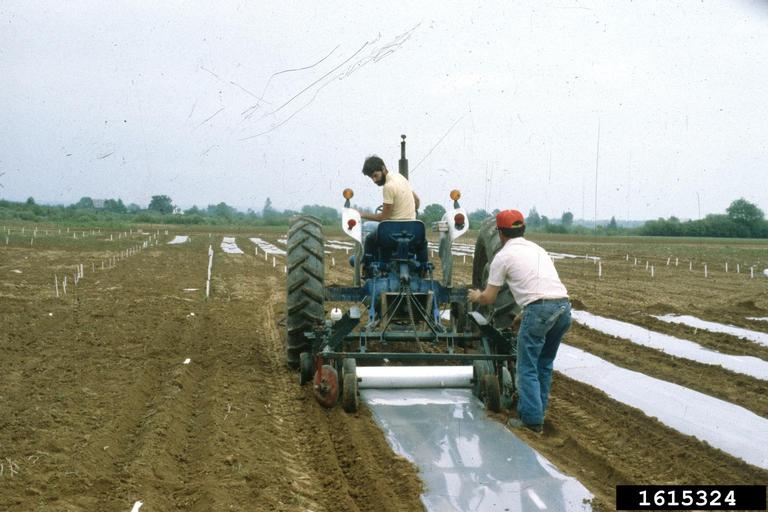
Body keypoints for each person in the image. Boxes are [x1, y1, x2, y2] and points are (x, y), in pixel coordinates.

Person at [468, 209, 571, 434]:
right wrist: (524, 315)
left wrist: (476, 296)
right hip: (563, 308)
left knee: (526, 367)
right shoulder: (538, 250)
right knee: (543, 363)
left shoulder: (502, 257)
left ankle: (531, 421)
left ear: (499, 232)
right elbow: (543, 288)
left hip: (540, 310)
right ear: (522, 229)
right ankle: (539, 412)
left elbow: (489, 298)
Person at [358, 155, 423, 267]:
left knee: (369, 239)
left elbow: (384, 218)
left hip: (392, 233)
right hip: (413, 230)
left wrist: (361, 214)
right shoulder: (400, 177)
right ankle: (423, 268)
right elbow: (416, 200)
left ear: (383, 168)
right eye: (371, 178)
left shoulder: (388, 186)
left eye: (375, 175)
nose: (374, 180)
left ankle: (369, 268)